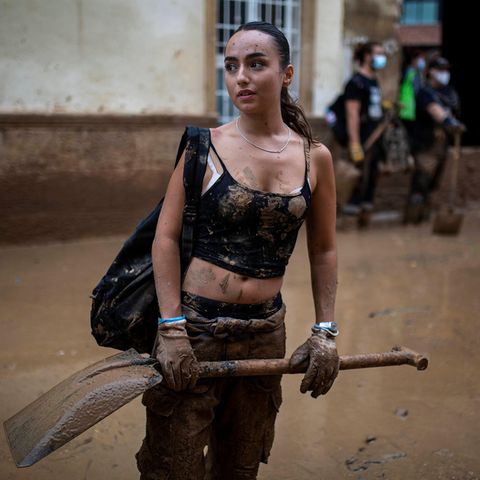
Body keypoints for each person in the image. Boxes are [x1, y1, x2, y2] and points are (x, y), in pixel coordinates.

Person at [135, 21, 339, 480]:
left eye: (256, 64)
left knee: (239, 466)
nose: (240, 77)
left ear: (286, 74)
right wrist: (170, 330)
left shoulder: (315, 157)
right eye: (231, 66)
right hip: (195, 331)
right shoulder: (203, 148)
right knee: (173, 467)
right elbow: (164, 239)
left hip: (266, 333)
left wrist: (325, 331)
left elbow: (323, 249)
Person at [404, 55, 465, 223]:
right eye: (440, 70)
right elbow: (435, 110)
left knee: (433, 184)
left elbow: (452, 110)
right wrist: (449, 122)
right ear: (431, 71)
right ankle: (411, 220)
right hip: (425, 145)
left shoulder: (450, 92)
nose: (444, 74)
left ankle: (425, 217)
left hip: (442, 145)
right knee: (421, 182)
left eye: (446, 71)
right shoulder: (424, 92)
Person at [341, 41, 387, 224]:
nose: (382, 58)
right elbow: (352, 114)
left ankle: (364, 219)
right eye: (379, 53)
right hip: (363, 139)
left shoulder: (373, 80)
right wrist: (354, 143)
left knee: (372, 178)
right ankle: (350, 221)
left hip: (376, 138)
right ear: (367, 56)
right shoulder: (355, 83)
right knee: (359, 180)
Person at [398, 49, 426, 141]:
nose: (423, 62)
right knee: (408, 133)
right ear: (413, 59)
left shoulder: (414, 72)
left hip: (409, 108)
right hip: (408, 108)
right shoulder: (410, 73)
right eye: (420, 59)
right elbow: (416, 90)